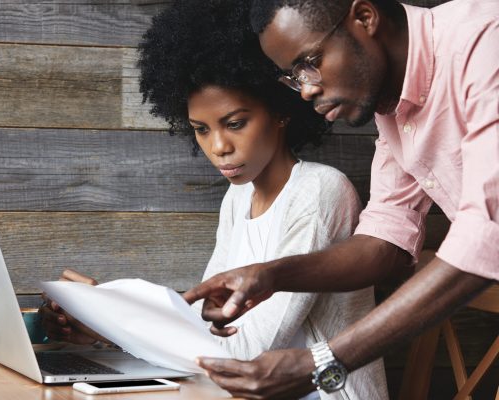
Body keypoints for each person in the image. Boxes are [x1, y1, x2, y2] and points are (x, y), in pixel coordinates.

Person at [40, 0, 389, 398]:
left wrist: (116, 317)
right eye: (201, 130)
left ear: (281, 111)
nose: (218, 146)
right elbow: (202, 327)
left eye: (235, 123)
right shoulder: (237, 198)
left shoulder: (320, 191)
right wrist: (99, 323)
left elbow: (245, 353)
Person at [183, 0, 498, 398]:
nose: (308, 89)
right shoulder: (393, 107)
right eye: (295, 77)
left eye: (311, 61)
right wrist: (273, 275)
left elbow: (486, 236)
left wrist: (325, 360)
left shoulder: (485, 43)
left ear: (364, 17)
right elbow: (385, 242)